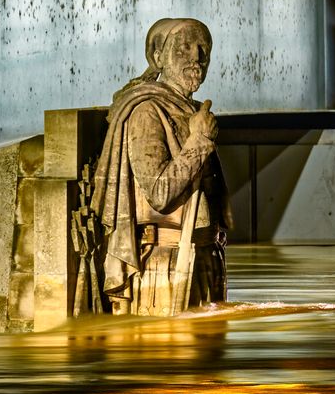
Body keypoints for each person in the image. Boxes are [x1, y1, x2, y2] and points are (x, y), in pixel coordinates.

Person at [90, 18, 231, 316]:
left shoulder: (190, 111)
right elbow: (159, 192)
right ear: (158, 57)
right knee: (169, 358)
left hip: (204, 259)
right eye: (183, 49)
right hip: (166, 265)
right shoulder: (147, 112)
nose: (196, 58)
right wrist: (199, 141)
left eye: (203, 49)